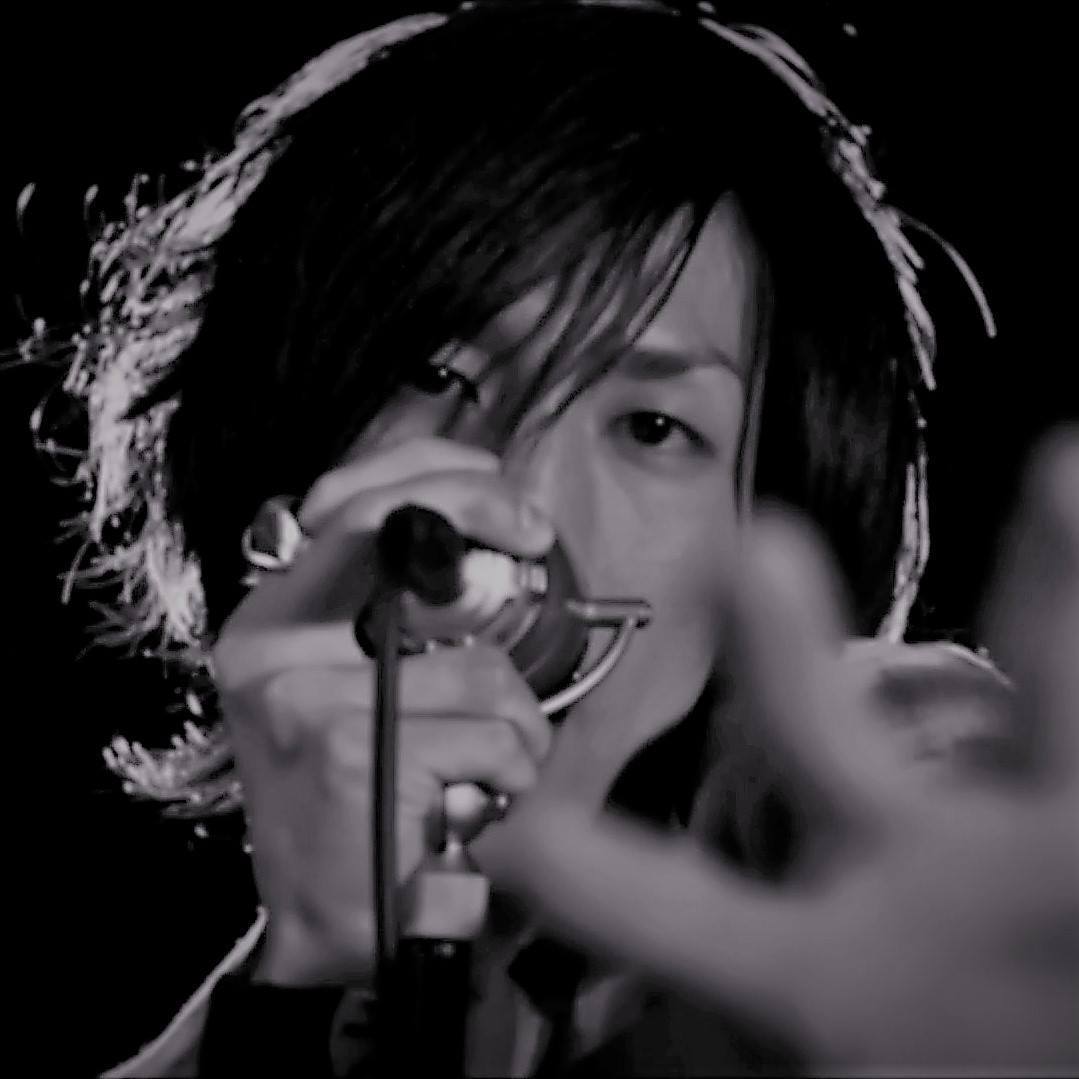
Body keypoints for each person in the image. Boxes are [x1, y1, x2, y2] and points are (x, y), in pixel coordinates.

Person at [22, 1, 1076, 1075]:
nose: (520, 506)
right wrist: (302, 982)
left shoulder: (840, 837)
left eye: (651, 428)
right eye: (436, 376)